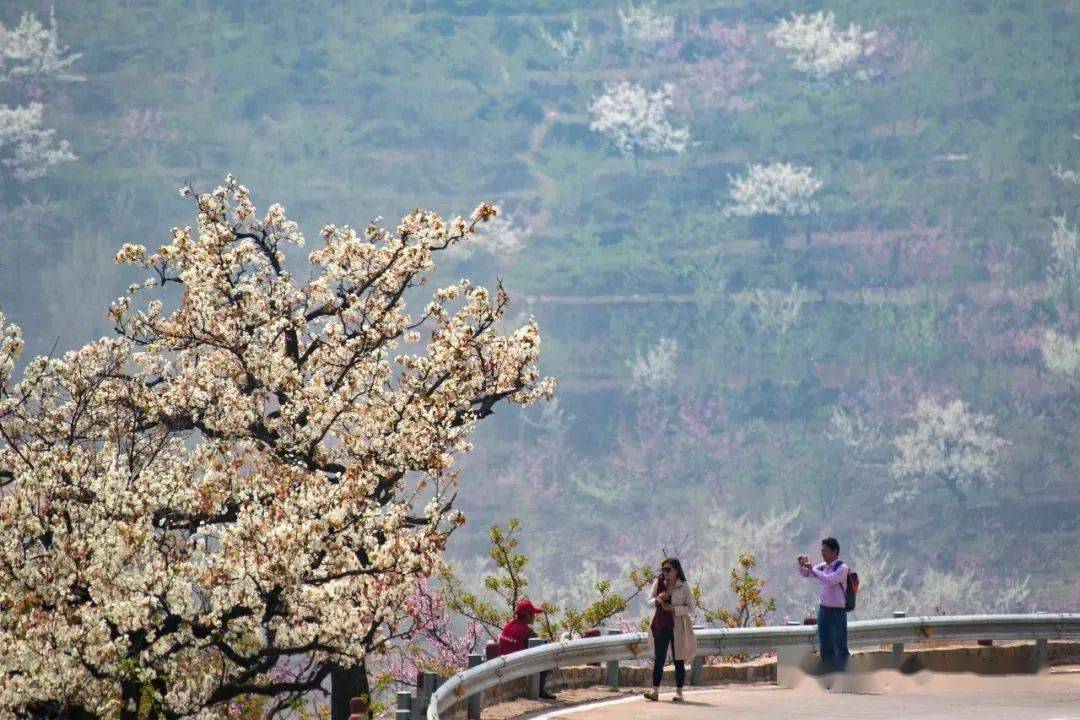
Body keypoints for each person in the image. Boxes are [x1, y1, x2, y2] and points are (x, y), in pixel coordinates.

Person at [643, 558, 697, 703]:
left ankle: (679, 692)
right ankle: (655, 691)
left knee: (678, 659)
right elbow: (649, 602)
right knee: (659, 658)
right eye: (663, 569)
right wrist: (658, 599)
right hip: (661, 624)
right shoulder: (658, 583)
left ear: (676, 571)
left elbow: (691, 608)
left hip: (678, 625)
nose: (665, 572)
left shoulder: (684, 586)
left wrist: (674, 609)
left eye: (668, 570)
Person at [798, 537, 850, 672]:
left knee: (840, 648)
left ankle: (844, 678)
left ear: (835, 551)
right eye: (822, 551)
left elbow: (829, 580)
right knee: (826, 648)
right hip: (823, 612)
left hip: (837, 613)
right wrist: (802, 566)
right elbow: (807, 574)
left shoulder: (842, 568)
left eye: (825, 551)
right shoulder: (823, 566)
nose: (823, 553)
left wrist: (813, 570)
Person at [497, 599, 556, 700]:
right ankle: (539, 690)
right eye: (533, 614)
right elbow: (537, 647)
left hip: (502, 662)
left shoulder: (510, 625)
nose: (534, 616)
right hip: (515, 664)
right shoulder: (526, 631)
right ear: (527, 615)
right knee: (545, 655)